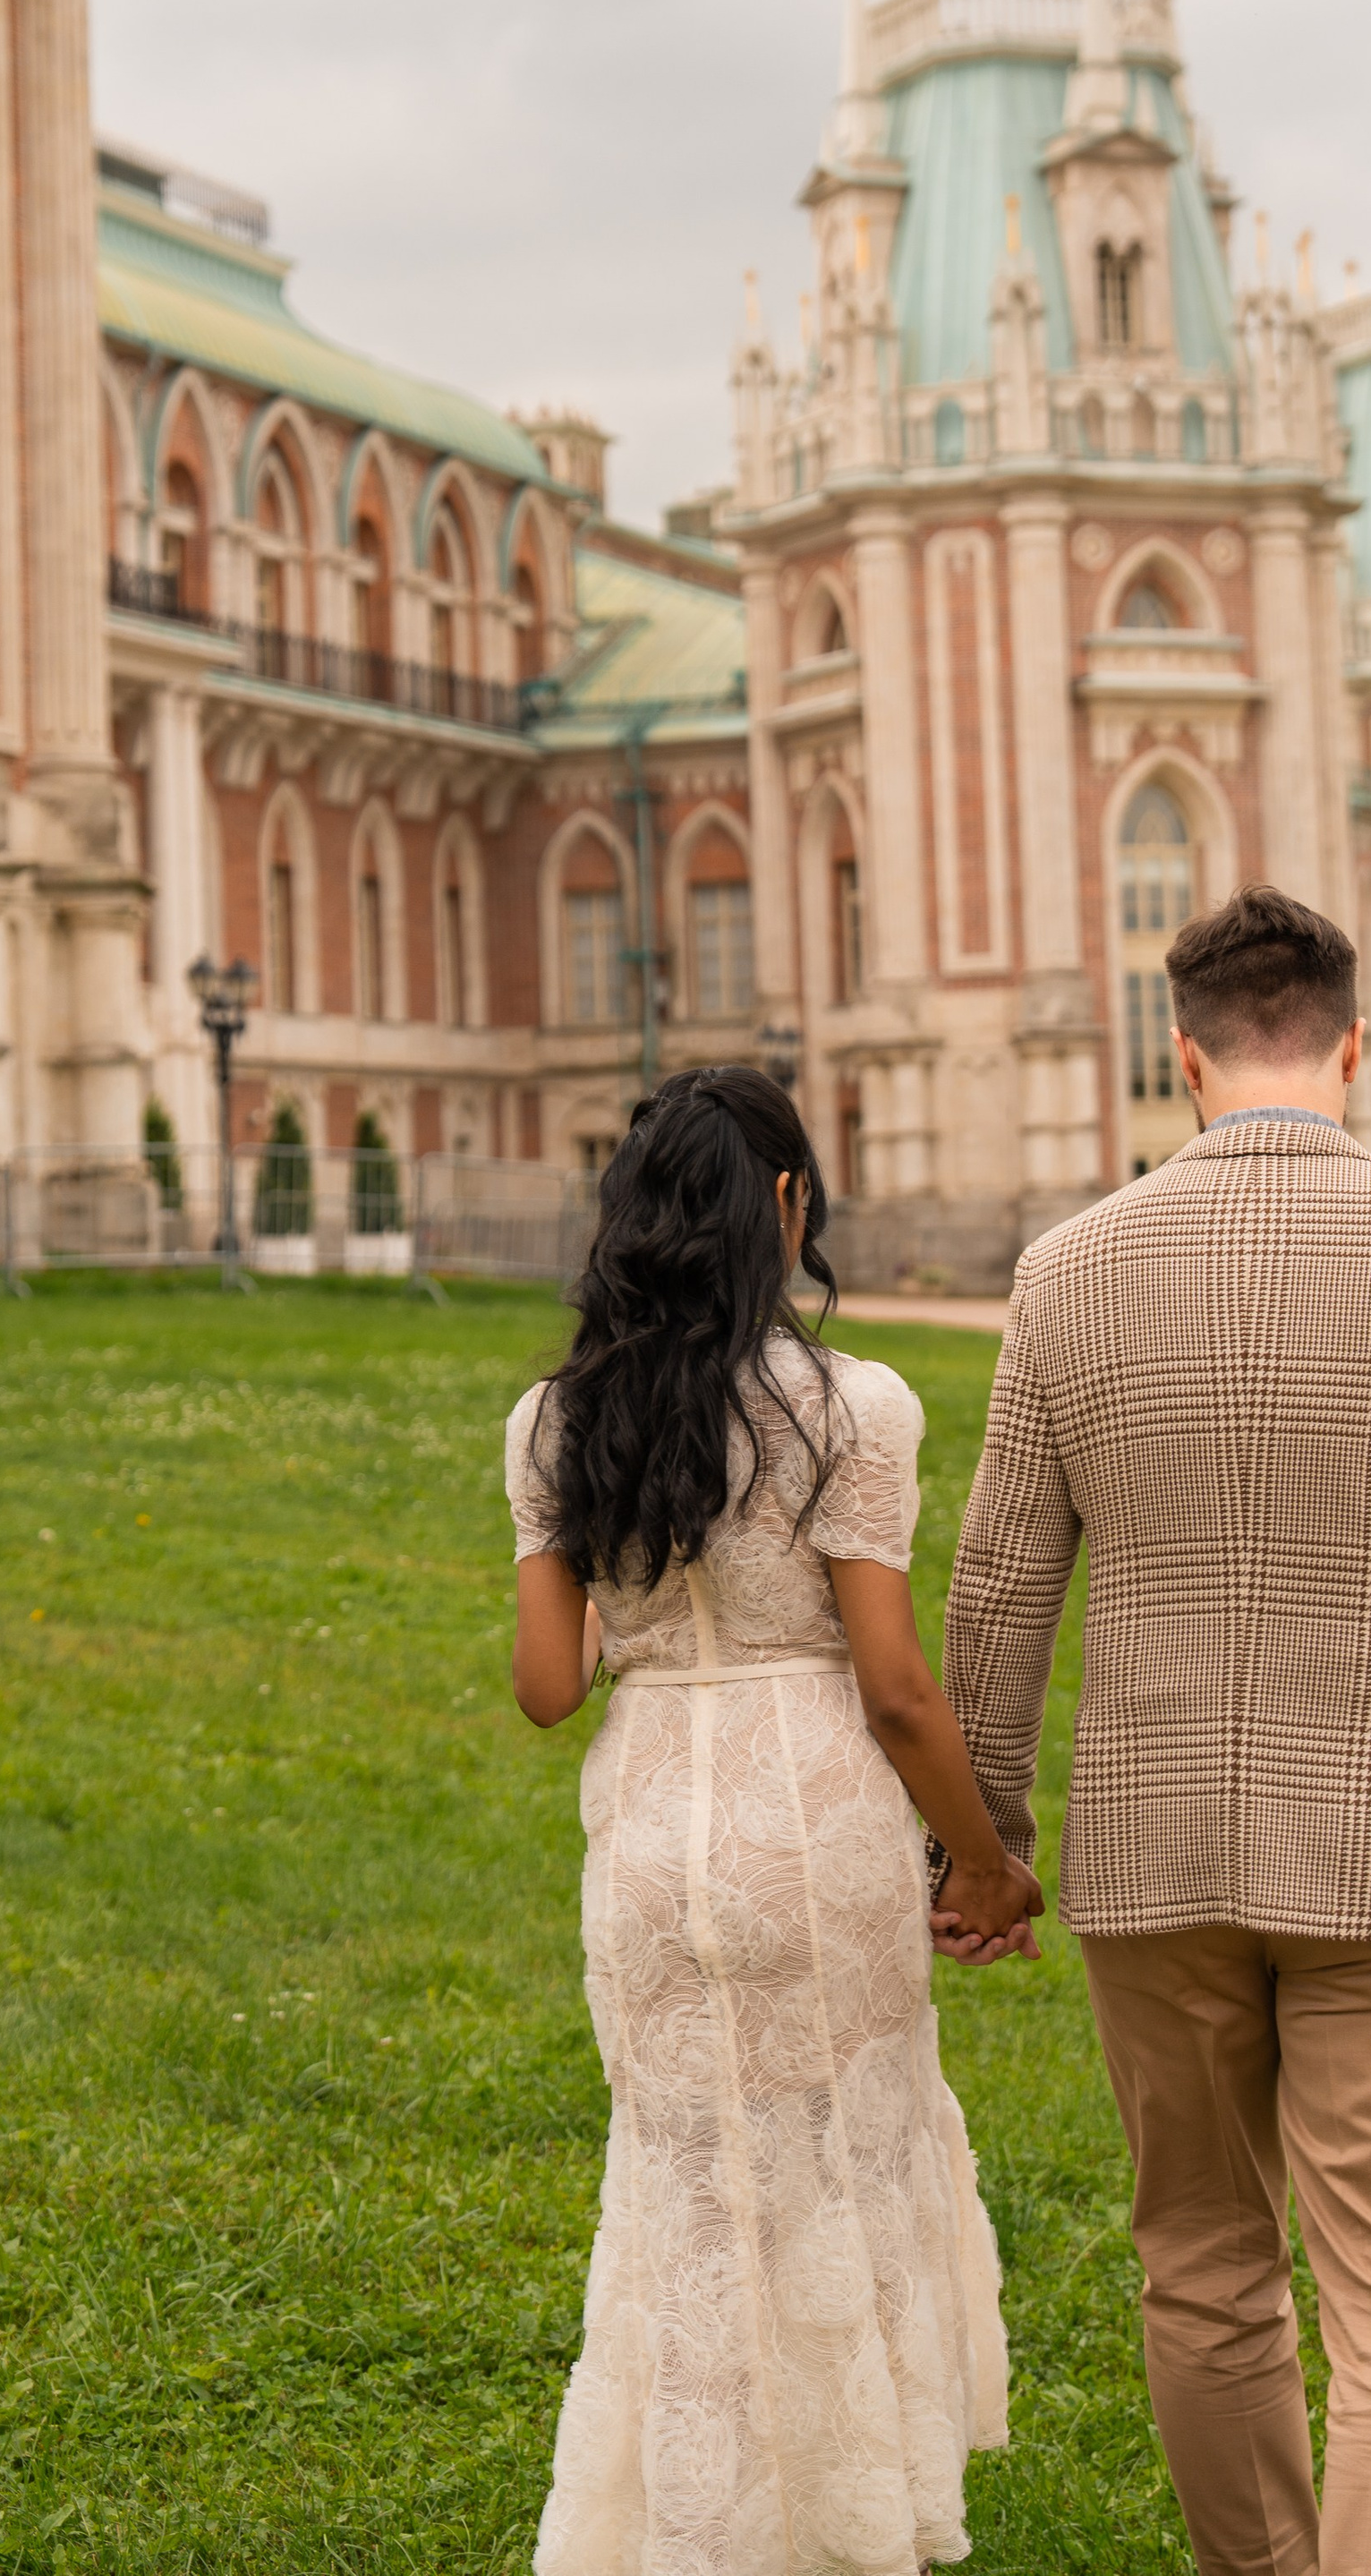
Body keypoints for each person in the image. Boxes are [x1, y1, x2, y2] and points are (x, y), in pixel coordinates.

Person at [939, 885, 1371, 2576]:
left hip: (1155, 1842)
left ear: (1178, 1053)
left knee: (1201, 2260)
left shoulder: (1068, 1271)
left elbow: (996, 1590)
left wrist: (977, 1847)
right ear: (1358, 1046)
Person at [507, 1064, 1032, 2576]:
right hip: (814, 1814)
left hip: (656, 1812)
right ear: (786, 1205)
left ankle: (688, 2513)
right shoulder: (851, 1409)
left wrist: (649, 1612)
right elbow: (898, 1691)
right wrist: (986, 1864)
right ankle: (844, 2509)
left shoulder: (553, 1422)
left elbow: (549, 1687)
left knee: (677, 2164)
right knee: (839, 2154)